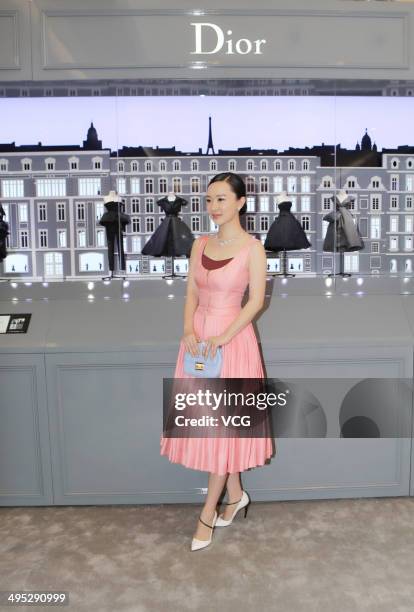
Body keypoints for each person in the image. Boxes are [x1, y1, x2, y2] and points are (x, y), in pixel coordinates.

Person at [160, 172, 274, 551]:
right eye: (210, 200)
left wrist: (222, 338)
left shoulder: (252, 248)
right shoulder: (200, 245)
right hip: (198, 345)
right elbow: (191, 289)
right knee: (211, 425)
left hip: (232, 342)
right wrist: (188, 331)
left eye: (222, 199)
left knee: (223, 429)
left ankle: (207, 512)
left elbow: (255, 301)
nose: (214, 207)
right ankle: (236, 493)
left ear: (241, 202)